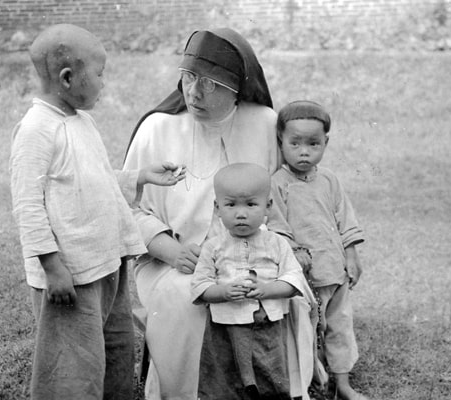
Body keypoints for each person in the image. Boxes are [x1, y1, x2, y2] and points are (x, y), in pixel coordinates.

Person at [124, 28, 315, 399]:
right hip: (176, 260)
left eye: (210, 84)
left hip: (258, 252)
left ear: (237, 89)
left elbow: (283, 197)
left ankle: (275, 389)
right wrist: (172, 251)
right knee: (187, 303)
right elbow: (128, 209)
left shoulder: (263, 123)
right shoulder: (157, 128)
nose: (194, 93)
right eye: (189, 77)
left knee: (286, 294)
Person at [9, 24, 185, 400]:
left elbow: (94, 180)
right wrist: (53, 267)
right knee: (73, 366)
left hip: (106, 263)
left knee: (113, 352)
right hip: (72, 276)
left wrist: (140, 175)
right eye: (100, 74)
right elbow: (27, 206)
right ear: (68, 78)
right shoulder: (36, 130)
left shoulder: (81, 121)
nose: (104, 84)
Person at [267, 100, 367, 400]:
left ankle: (343, 382)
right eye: (294, 143)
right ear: (280, 141)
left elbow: (345, 219)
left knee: (340, 326)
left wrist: (351, 254)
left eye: (313, 144)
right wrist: (294, 250)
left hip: (334, 271)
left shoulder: (329, 180)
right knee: (307, 329)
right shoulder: (277, 183)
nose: (304, 152)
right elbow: (277, 225)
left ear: (326, 142)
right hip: (304, 277)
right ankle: (310, 376)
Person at [191, 163, 312, 400]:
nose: (241, 213)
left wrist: (268, 289)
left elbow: (293, 279)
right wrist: (222, 292)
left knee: (270, 375)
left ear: (268, 206)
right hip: (225, 326)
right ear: (217, 208)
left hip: (267, 325)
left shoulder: (276, 243)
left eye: (250, 204)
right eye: (230, 204)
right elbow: (200, 285)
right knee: (224, 377)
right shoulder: (214, 247)